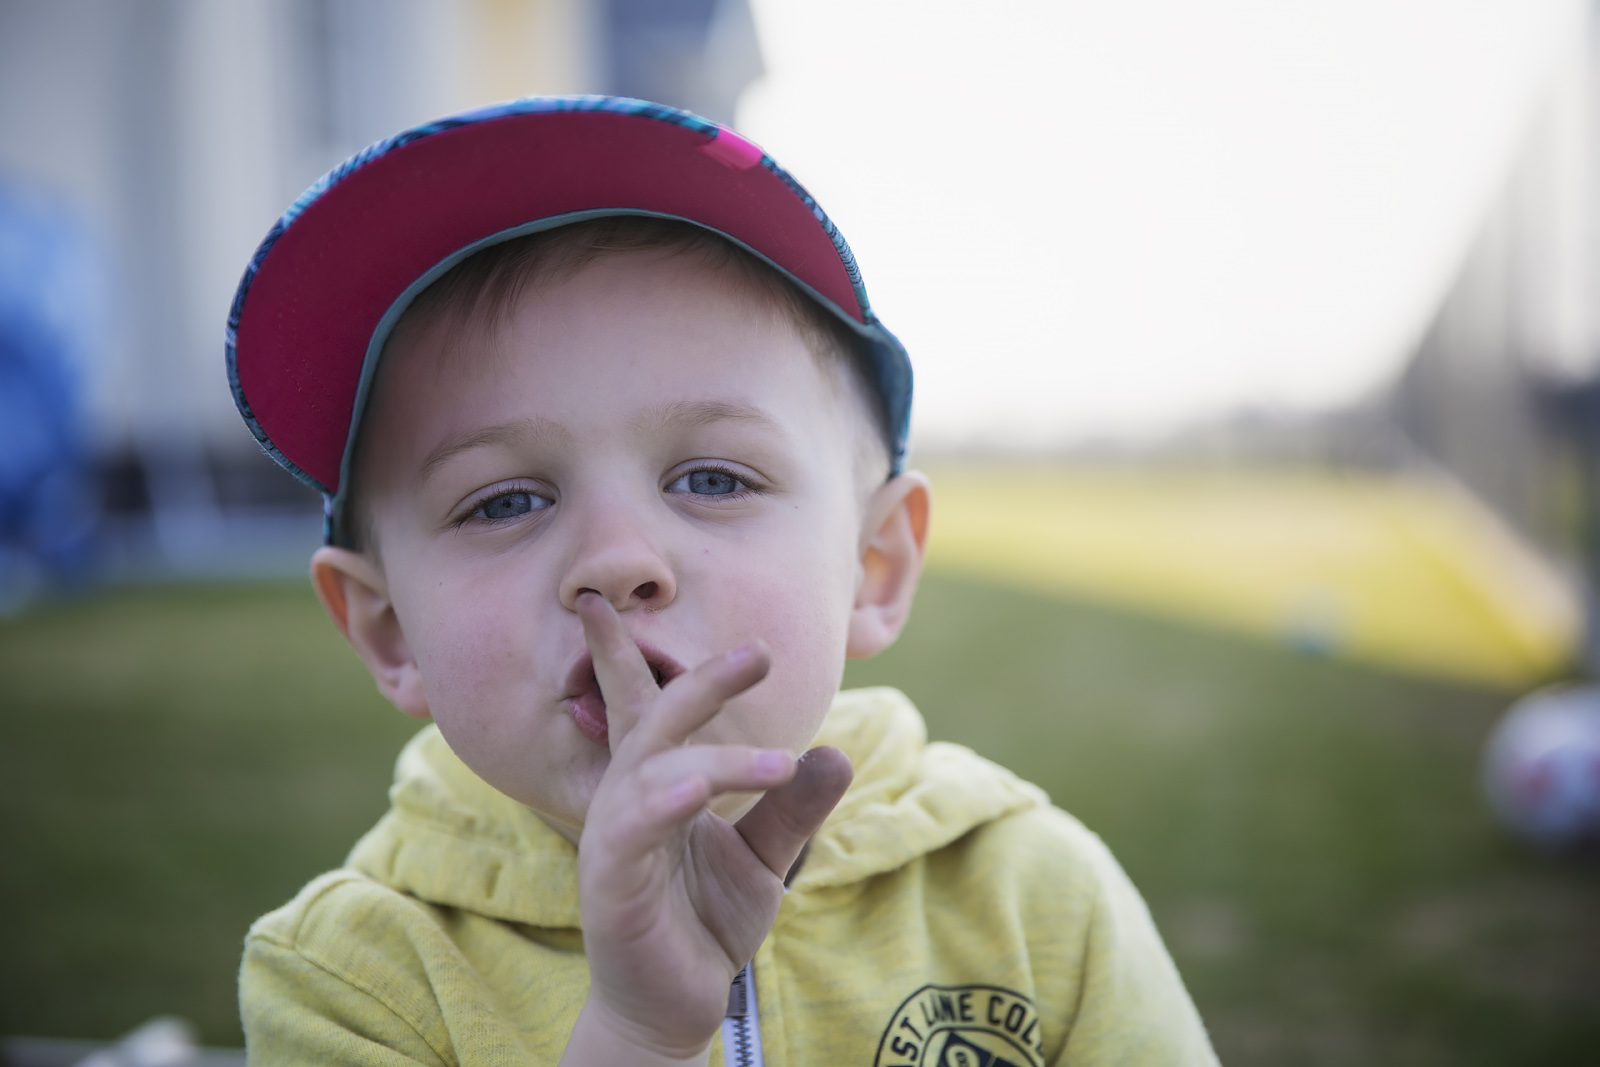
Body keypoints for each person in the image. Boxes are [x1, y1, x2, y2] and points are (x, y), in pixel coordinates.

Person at [230, 97, 1217, 1067]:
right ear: (391, 630)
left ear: (872, 566)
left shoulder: (1031, 897)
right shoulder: (350, 980)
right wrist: (638, 1036)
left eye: (712, 478)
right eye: (504, 501)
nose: (615, 560)